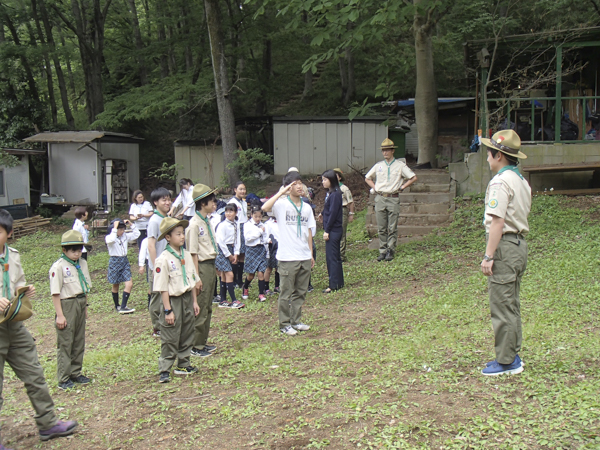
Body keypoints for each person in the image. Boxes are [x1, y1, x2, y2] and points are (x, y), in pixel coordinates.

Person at [0, 210, 78, 445]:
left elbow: (18, 283)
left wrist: (24, 292)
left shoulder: (12, 256)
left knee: (34, 375)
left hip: (14, 325)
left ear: (9, 233)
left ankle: (48, 423)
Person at [480, 130, 531, 376]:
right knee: (511, 303)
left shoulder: (500, 182)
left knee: (501, 305)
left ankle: (506, 361)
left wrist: (489, 256)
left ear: (499, 155)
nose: (487, 159)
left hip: (505, 247)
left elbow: (498, 221)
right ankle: (512, 355)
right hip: (519, 246)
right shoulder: (520, 180)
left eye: (489, 154)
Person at [262, 171, 316, 336]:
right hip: (287, 257)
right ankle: (284, 324)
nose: (299, 186)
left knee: (301, 291)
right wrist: (281, 192)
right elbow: (265, 207)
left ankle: (296, 321)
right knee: (286, 293)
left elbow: (308, 231)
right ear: (288, 187)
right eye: (295, 183)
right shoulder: (281, 205)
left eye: (300, 182)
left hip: (304, 256)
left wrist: (311, 254)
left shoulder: (306, 207)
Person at [153, 217, 200, 383]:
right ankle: (165, 368)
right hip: (172, 300)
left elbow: (192, 280)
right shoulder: (163, 259)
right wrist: (168, 310)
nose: (182, 237)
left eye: (183, 234)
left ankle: (183, 363)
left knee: (187, 331)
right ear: (168, 237)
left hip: (187, 297)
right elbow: (162, 287)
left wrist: (194, 301)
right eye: (178, 234)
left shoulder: (186, 255)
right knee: (170, 334)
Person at [49, 230, 92, 390]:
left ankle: (76, 372)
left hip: (80, 301)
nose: (77, 253)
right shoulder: (58, 267)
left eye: (79, 249)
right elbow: (55, 293)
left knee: (79, 340)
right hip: (67, 304)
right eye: (73, 250)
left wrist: (85, 306)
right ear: (64, 250)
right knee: (66, 341)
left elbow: (85, 287)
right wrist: (60, 315)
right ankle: (64, 377)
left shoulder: (82, 263)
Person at [365, 138, 417, 262]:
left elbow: (413, 177)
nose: (385, 153)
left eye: (387, 150)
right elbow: (367, 178)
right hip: (381, 197)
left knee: (392, 226)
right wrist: (375, 188)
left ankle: (391, 249)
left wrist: (403, 186)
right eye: (383, 150)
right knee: (381, 226)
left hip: (393, 197)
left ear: (392, 151)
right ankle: (382, 250)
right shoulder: (379, 166)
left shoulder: (399, 165)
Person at [185, 184, 219, 358]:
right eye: (211, 201)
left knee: (208, 305)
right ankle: (195, 345)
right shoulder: (193, 225)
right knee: (201, 305)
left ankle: (203, 341)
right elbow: (193, 254)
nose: (214, 204)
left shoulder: (207, 221)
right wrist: (196, 277)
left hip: (211, 264)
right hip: (202, 267)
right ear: (202, 203)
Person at [147, 187, 173, 337]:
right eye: (164, 200)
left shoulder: (167, 219)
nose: (167, 202)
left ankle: (166, 322)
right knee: (157, 296)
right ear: (155, 202)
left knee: (167, 294)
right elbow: (151, 245)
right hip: (158, 266)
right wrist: (156, 265)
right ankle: (157, 327)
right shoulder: (154, 221)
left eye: (169, 199)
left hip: (169, 264)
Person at [105, 219, 140, 314]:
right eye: (120, 229)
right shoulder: (109, 237)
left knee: (129, 283)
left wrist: (131, 224)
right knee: (115, 284)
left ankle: (124, 306)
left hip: (124, 260)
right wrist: (115, 228)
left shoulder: (125, 236)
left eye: (123, 229)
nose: (122, 231)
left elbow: (137, 234)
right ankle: (117, 305)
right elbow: (111, 239)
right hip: (115, 261)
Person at [215, 204, 245, 309]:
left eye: (231, 211)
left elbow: (237, 240)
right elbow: (220, 242)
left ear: (236, 213)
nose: (228, 213)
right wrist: (229, 255)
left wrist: (236, 253)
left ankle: (223, 300)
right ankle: (233, 300)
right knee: (229, 274)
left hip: (232, 249)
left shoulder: (236, 224)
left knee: (224, 275)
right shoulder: (222, 225)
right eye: (227, 211)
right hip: (223, 251)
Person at [321, 170, 344, 293]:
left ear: (331, 180)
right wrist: (322, 214)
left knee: (332, 258)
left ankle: (334, 284)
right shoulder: (331, 194)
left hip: (334, 230)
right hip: (334, 229)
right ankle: (339, 282)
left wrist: (327, 230)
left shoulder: (335, 194)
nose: (323, 182)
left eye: (325, 179)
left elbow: (334, 213)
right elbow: (328, 209)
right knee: (335, 257)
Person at [242, 206, 269, 302]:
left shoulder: (263, 225)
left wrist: (268, 241)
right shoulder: (247, 225)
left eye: (259, 217)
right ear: (251, 215)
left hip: (261, 249)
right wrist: (260, 231)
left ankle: (261, 293)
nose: (258, 219)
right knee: (251, 274)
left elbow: (265, 237)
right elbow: (248, 238)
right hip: (251, 249)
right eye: (255, 216)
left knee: (261, 273)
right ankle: (245, 287)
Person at [228, 181, 248, 287]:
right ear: (235, 190)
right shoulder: (232, 202)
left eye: (244, 189)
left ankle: (240, 280)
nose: (243, 191)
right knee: (236, 253)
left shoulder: (244, 202)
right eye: (240, 189)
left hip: (244, 227)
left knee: (242, 255)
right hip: (236, 228)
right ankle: (234, 279)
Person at [333, 168, 355, 262]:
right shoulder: (331, 188)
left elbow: (351, 202)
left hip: (342, 210)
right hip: (333, 212)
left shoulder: (344, 188)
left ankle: (341, 255)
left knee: (341, 232)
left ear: (340, 177)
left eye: (336, 175)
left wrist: (351, 213)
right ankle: (334, 253)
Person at [263, 212, 279, 295]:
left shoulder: (281, 222)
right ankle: (266, 288)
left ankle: (277, 286)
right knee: (269, 268)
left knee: (278, 267)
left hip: (280, 247)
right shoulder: (268, 224)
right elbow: (265, 236)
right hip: (271, 248)